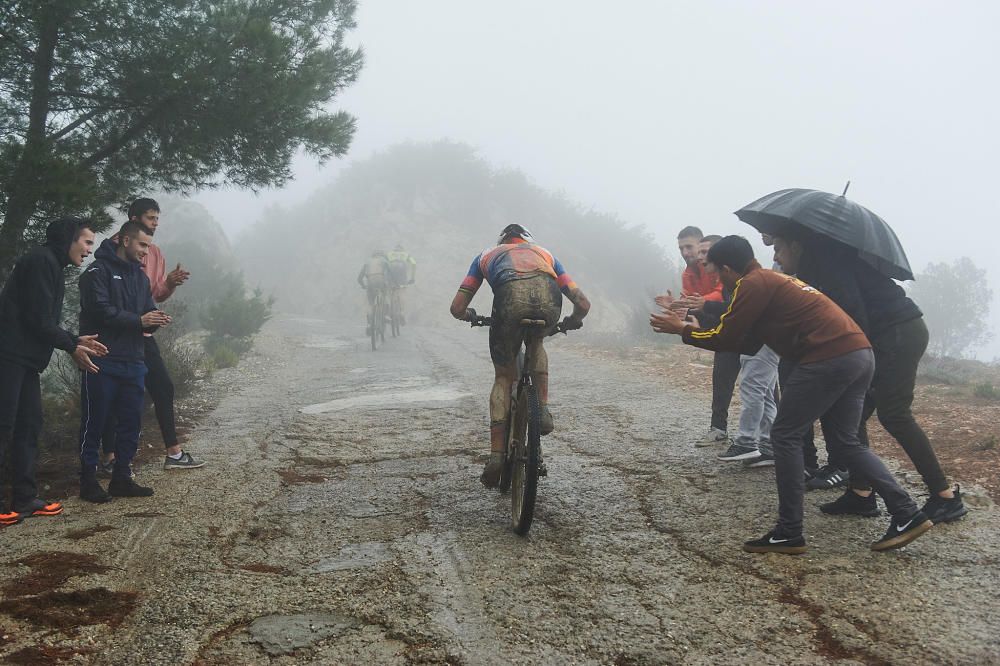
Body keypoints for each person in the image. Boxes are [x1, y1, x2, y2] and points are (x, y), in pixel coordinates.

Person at [650, 236, 932, 553]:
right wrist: (693, 328)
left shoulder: (752, 284)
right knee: (845, 440)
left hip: (828, 357)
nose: (717, 279)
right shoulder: (772, 281)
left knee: (784, 435)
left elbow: (725, 335)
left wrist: (683, 330)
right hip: (858, 354)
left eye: (717, 272)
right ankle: (907, 512)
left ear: (728, 268)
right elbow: (748, 343)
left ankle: (789, 531)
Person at [772, 232, 967, 523]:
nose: (775, 257)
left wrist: (851, 358)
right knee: (853, 416)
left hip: (897, 332)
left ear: (797, 244)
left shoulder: (826, 262)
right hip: (884, 334)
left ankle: (945, 497)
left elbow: (854, 315)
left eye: (778, 248)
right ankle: (861, 493)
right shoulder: (820, 261)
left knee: (894, 414)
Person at [449, 224, 590, 487]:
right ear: (527, 241)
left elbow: (456, 307)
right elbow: (582, 303)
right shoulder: (546, 254)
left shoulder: (486, 255)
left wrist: (470, 316)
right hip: (549, 298)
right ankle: (543, 410)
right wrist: (572, 320)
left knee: (504, 376)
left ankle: (496, 457)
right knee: (536, 344)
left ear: (503, 240)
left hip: (509, 299)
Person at [0, 217, 108, 525]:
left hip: (25, 361)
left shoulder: (50, 264)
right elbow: (38, 319)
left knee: (28, 426)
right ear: (69, 239)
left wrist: (74, 340)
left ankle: (24, 499)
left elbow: (40, 319)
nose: (90, 249)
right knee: (3, 428)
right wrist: (72, 345)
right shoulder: (40, 260)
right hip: (8, 356)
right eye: (87, 241)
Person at [100, 198, 203, 473]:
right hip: (115, 335)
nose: (155, 223)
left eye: (157, 219)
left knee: (163, 387)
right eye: (150, 218)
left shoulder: (155, 253)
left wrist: (169, 283)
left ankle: (173, 452)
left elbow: (153, 294)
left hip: (142, 334)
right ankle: (109, 458)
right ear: (133, 218)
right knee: (111, 394)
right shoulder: (110, 251)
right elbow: (107, 297)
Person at [78, 221, 171, 503]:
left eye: (148, 246)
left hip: (134, 360)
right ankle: (88, 481)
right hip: (101, 359)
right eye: (142, 245)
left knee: (131, 421)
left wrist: (155, 321)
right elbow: (101, 311)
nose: (146, 251)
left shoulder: (140, 279)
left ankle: (122, 477)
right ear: (126, 240)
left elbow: (146, 314)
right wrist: (139, 320)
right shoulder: (96, 272)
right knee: (95, 422)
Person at [661, 233, 739, 447]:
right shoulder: (688, 272)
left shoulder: (722, 268)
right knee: (724, 373)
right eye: (681, 249)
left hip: (736, 321)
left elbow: (719, 298)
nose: (686, 253)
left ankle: (766, 437)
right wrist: (678, 307)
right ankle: (719, 428)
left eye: (690, 247)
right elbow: (692, 304)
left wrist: (696, 304)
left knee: (759, 383)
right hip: (719, 319)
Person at [358, 250, 390, 334]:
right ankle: (386, 315)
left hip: (370, 282)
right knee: (385, 296)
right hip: (380, 281)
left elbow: (359, 277)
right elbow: (389, 273)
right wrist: (388, 283)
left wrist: (363, 285)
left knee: (370, 304)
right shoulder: (384, 260)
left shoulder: (367, 261)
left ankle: (369, 324)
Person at [385, 243, 417, 323]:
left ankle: (388, 312)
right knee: (401, 293)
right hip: (401, 277)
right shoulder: (405, 254)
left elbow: (383, 264)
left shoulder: (389, 254)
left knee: (388, 293)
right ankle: (401, 313)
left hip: (391, 276)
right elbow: (414, 263)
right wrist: (412, 278)